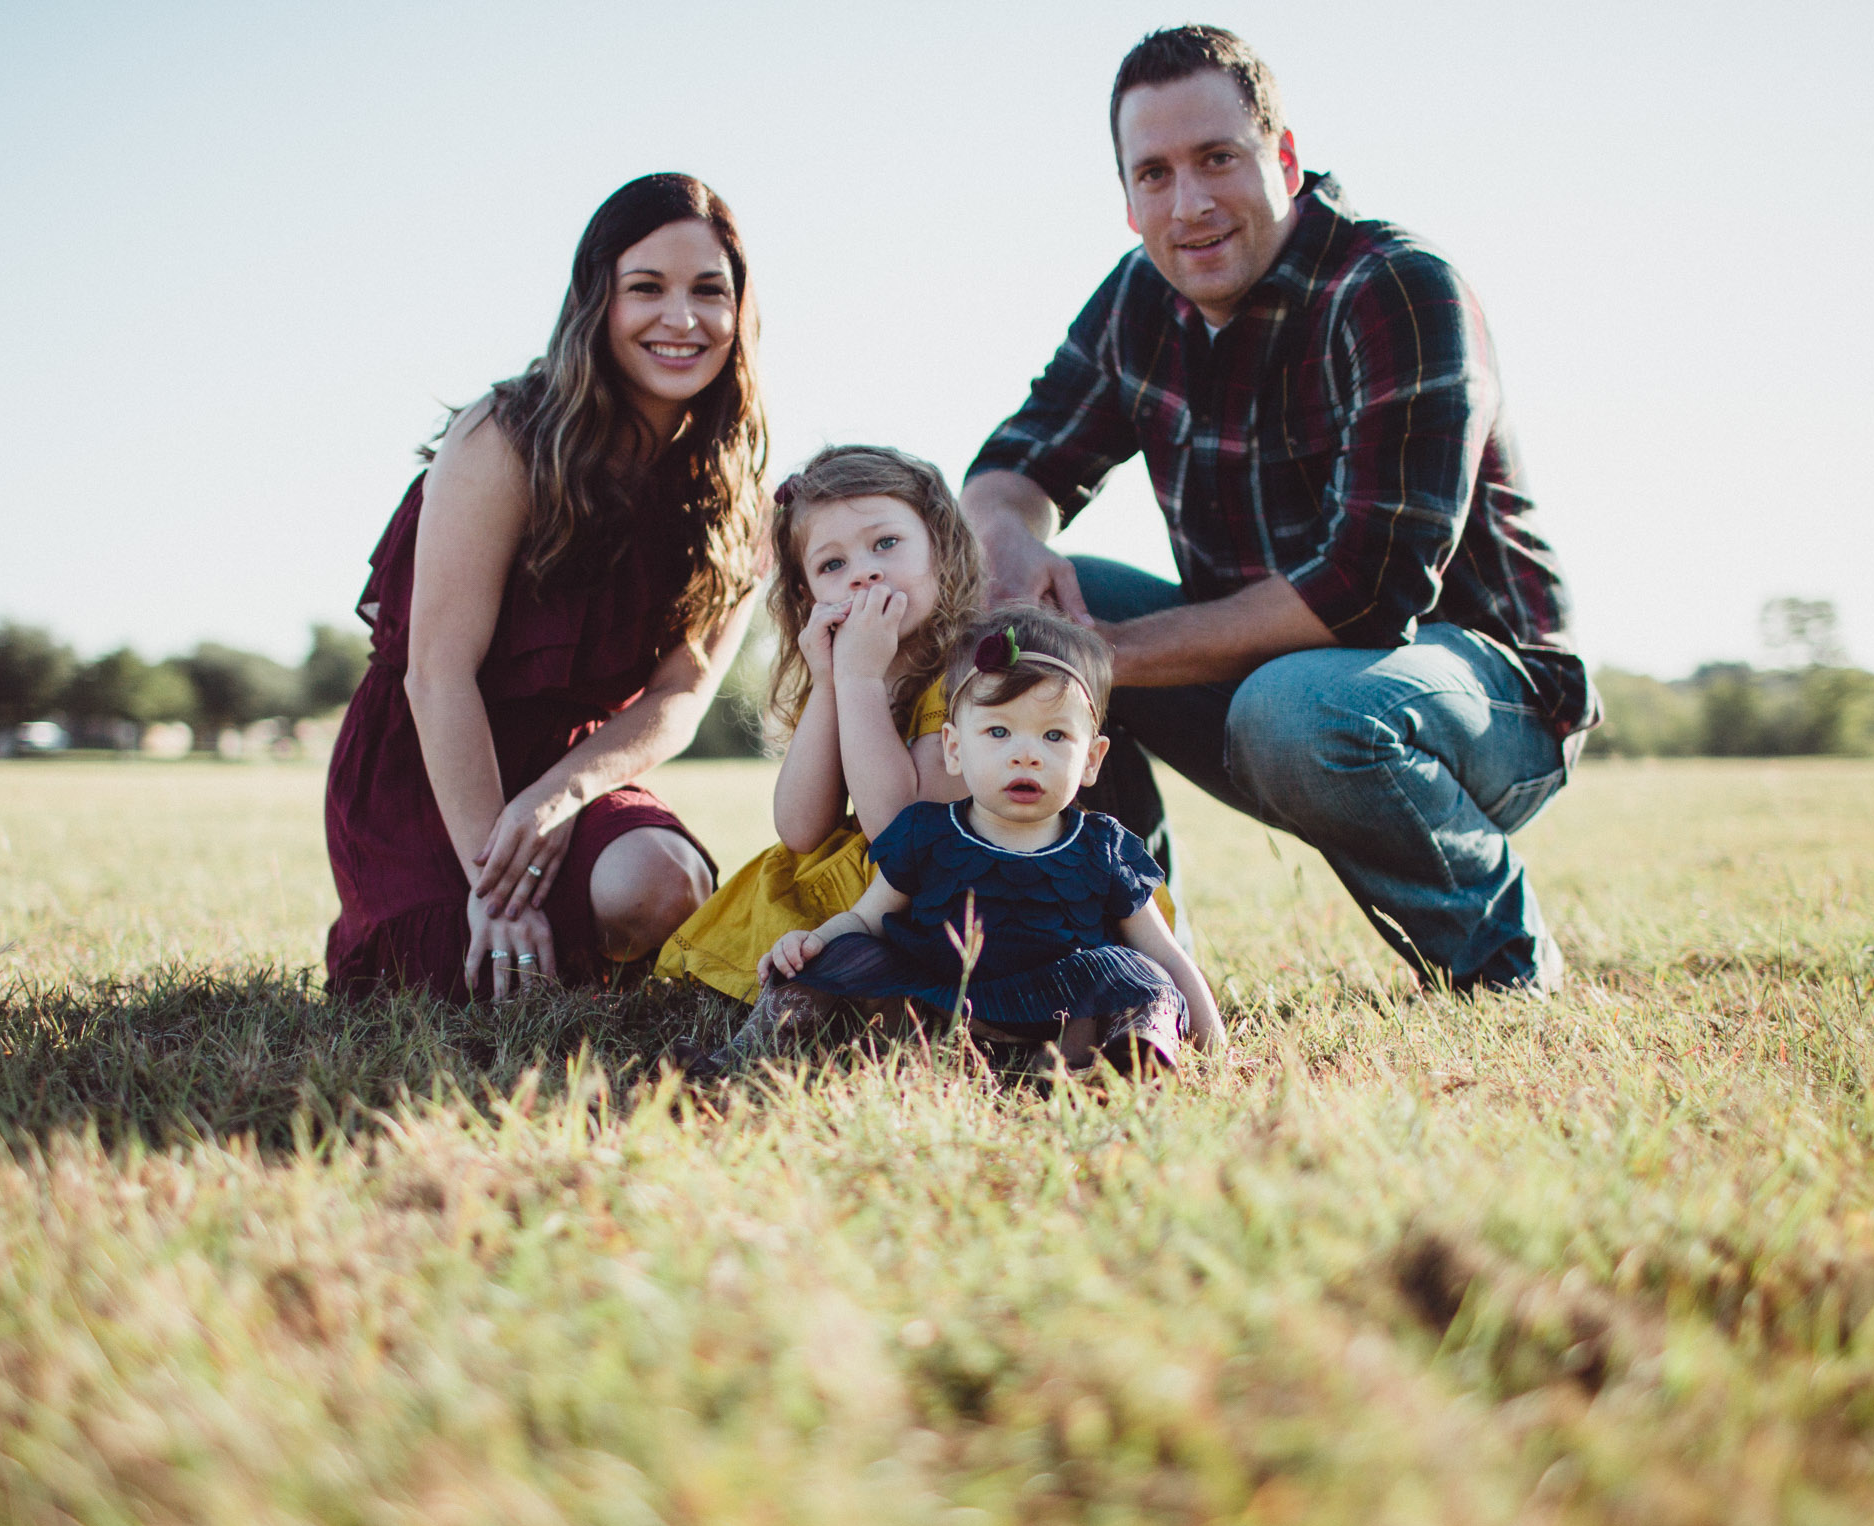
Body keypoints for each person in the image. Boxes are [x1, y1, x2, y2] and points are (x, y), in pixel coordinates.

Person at [963, 25, 1598, 995]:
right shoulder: (1140, 299)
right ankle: (1122, 960)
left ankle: (1504, 965)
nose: (1192, 202)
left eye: (1219, 158)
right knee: (1063, 603)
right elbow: (1010, 466)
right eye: (1156, 174)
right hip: (1277, 680)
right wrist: (1012, 558)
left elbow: (1365, 594)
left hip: (1482, 699)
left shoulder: (1396, 289)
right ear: (1128, 200)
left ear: (1286, 159)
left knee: (1286, 706)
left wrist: (1095, 660)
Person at [324, 173, 764, 1003]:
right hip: (434, 755)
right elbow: (436, 674)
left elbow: (681, 694)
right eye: (647, 289)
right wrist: (498, 880)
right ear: (596, 300)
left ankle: (588, 939)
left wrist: (558, 798)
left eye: (711, 291)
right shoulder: (504, 436)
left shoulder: (741, 494)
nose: (683, 319)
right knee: (451, 977)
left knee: (661, 886)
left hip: (579, 763)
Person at [724, 606, 1224, 1071]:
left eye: (1054, 736)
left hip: (1065, 1021)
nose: (1025, 755)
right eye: (999, 732)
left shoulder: (1103, 847)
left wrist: (1216, 1048)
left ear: (1091, 759)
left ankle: (1122, 1067)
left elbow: (1165, 953)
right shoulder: (929, 832)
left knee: (1144, 978)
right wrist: (814, 943)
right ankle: (750, 1055)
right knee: (840, 954)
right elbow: (865, 919)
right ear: (955, 748)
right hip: (940, 1006)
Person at [655, 445, 983, 1001]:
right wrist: (832, 683)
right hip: (872, 884)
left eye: (886, 543)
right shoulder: (846, 669)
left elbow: (903, 836)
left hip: (946, 889)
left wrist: (859, 679)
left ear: (940, 548)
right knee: (783, 890)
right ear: (808, 595)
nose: (865, 572)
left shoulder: (968, 674)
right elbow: (801, 829)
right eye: (834, 565)